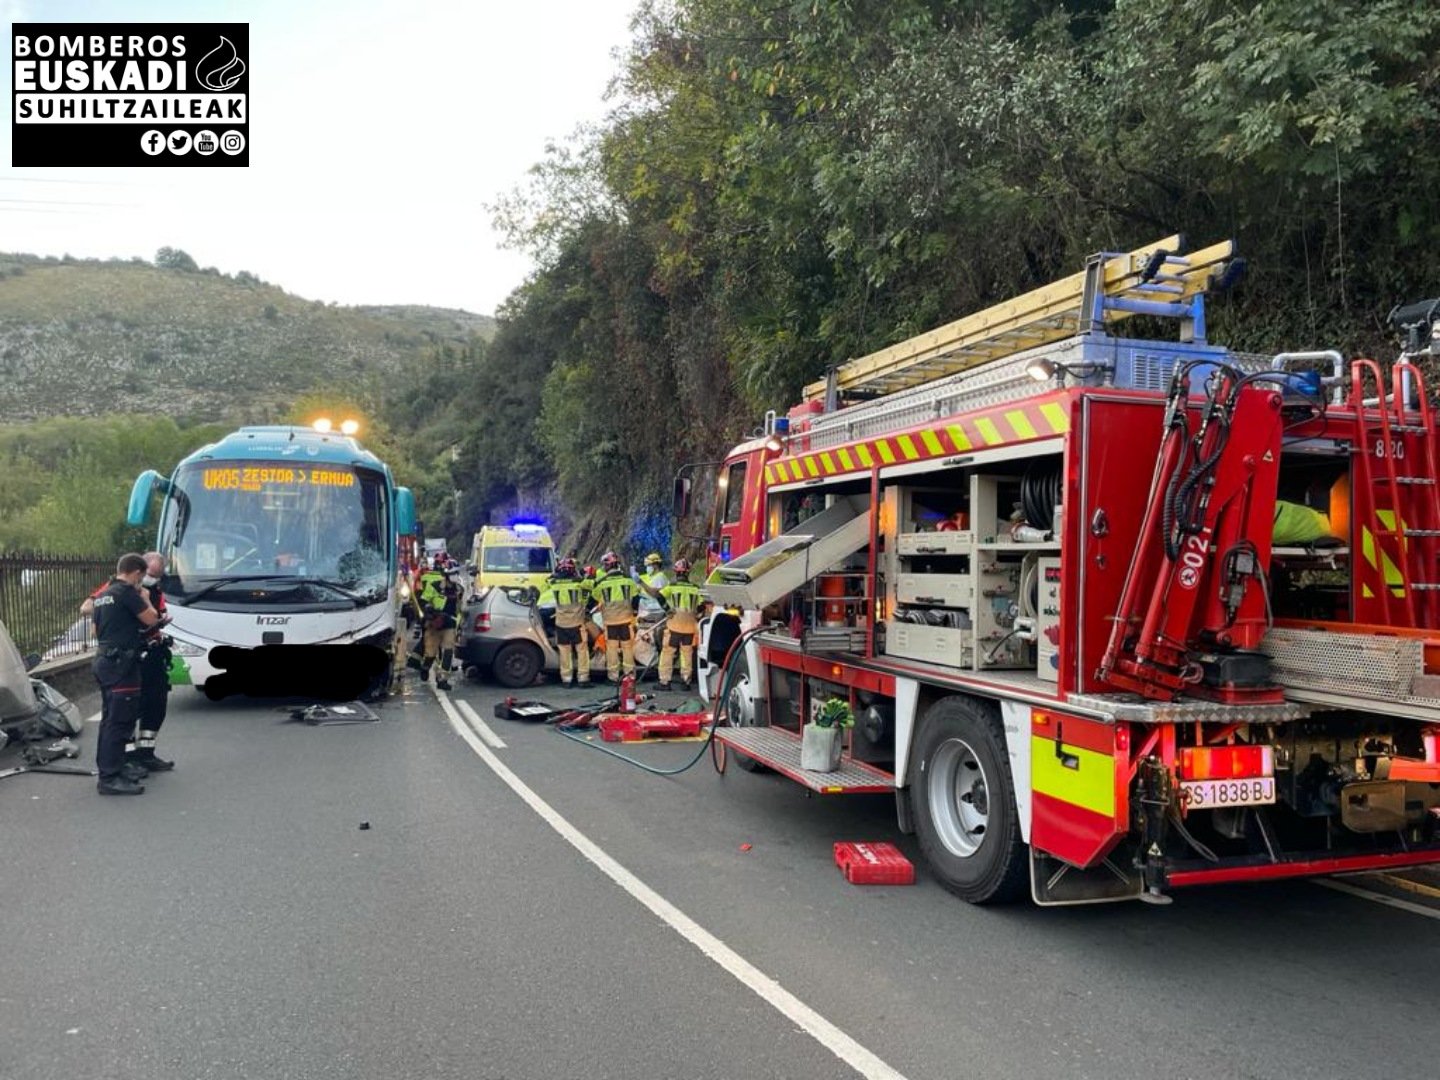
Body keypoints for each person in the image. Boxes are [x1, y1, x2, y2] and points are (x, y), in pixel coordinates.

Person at [90, 553, 164, 795]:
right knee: (120, 721)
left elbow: (95, 631)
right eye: (141, 578)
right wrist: (145, 598)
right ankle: (109, 777)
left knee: (110, 719)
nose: (141, 583)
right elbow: (151, 620)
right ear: (136, 573)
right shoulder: (127, 592)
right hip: (122, 664)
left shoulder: (103, 596)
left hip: (105, 661)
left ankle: (115, 768)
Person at [130, 551, 175, 771]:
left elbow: (159, 615)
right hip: (133, 656)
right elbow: (89, 606)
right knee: (130, 706)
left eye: (157, 575)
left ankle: (146, 753)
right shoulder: (120, 589)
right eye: (150, 574)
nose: (153, 579)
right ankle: (127, 757)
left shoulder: (157, 591)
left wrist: (160, 621)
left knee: (156, 704)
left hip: (153, 653)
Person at [649, 558, 705, 691]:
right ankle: (686, 681)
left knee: (668, 653)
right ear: (688, 573)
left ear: (676, 573)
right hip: (690, 627)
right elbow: (702, 605)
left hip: (674, 626)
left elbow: (659, 596)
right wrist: (696, 613)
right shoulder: (695, 589)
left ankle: (664, 682)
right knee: (686, 654)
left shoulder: (672, 587)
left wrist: (667, 609)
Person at [591, 550, 642, 682]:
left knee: (612, 649)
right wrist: (634, 612)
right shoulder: (628, 581)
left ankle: (613, 676)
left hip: (610, 622)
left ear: (607, 566)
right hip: (626, 620)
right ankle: (630, 675)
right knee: (627, 648)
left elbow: (594, 599)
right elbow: (636, 599)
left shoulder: (601, 583)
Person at [546, 557, 594, 687]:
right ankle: (583, 679)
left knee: (565, 652)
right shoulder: (579, 583)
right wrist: (583, 574)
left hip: (561, 624)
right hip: (577, 623)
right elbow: (590, 585)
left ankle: (566, 679)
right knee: (582, 651)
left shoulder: (554, 583)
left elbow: (548, 579)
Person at [409, 571, 460, 690]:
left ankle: (442, 679)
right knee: (431, 653)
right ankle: (425, 667)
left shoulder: (459, 589)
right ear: (447, 576)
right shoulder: (435, 586)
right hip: (434, 624)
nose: (456, 576)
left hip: (450, 625)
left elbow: (461, 607)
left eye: (457, 573)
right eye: (453, 573)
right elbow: (423, 600)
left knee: (448, 652)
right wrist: (429, 610)